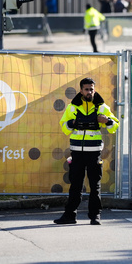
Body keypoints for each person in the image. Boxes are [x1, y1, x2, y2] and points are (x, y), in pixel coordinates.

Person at [54, 77, 119, 225]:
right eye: (86, 89)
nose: (89, 92)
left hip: (94, 153)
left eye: (91, 89)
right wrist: (72, 123)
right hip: (77, 152)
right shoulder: (73, 107)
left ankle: (95, 216)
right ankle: (70, 216)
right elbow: (64, 126)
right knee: (75, 185)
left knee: (95, 185)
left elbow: (115, 125)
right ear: (81, 90)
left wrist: (107, 121)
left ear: (94, 89)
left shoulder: (102, 107)